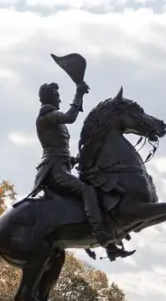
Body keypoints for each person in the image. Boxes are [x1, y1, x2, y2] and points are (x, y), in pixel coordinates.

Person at [29, 81, 132, 260]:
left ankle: (108, 237)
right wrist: (79, 94)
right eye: (57, 94)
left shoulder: (51, 118)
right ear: (50, 97)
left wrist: (75, 159)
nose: (60, 97)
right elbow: (70, 117)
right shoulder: (47, 115)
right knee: (86, 189)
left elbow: (58, 148)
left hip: (62, 166)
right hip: (54, 171)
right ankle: (100, 233)